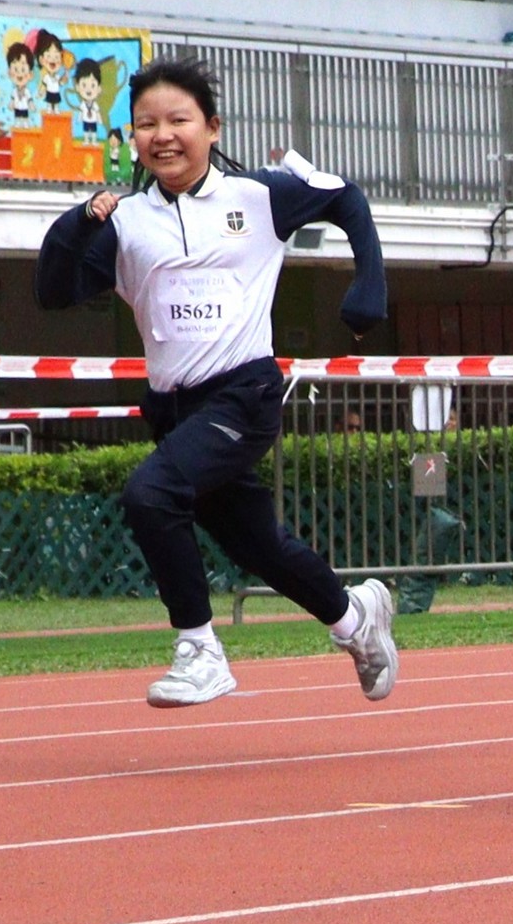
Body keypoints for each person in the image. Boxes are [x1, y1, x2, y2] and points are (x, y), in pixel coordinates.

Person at [33, 62, 405, 710]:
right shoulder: (123, 222)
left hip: (244, 392)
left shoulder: (258, 195)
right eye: (147, 124)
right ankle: (355, 619)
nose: (163, 135)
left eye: (178, 120)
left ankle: (199, 648)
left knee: (149, 493)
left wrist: (367, 285)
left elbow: (346, 196)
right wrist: (73, 226)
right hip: (175, 409)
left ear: (212, 127)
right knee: (257, 544)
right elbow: (52, 291)